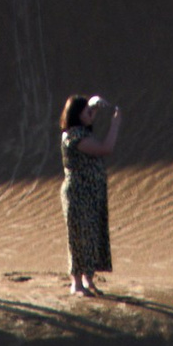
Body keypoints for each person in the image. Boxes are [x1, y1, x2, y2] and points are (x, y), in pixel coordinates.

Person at [59, 91, 120, 294]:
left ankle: (88, 279)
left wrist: (93, 104)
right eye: (86, 112)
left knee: (92, 234)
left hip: (91, 193)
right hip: (78, 193)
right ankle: (76, 283)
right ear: (77, 114)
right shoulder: (74, 136)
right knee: (79, 236)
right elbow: (105, 148)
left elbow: (89, 116)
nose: (91, 114)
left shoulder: (81, 131)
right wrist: (115, 123)